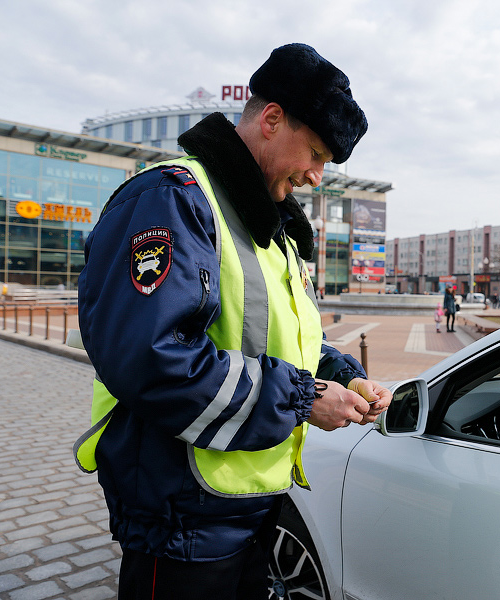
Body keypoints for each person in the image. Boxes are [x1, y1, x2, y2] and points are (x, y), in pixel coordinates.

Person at [73, 44, 391, 599]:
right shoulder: (174, 198)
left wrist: (342, 377)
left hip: (251, 510)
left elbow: (292, 343)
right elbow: (153, 357)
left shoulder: (271, 230)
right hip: (181, 521)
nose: (317, 176)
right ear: (271, 120)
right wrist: (303, 399)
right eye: (315, 153)